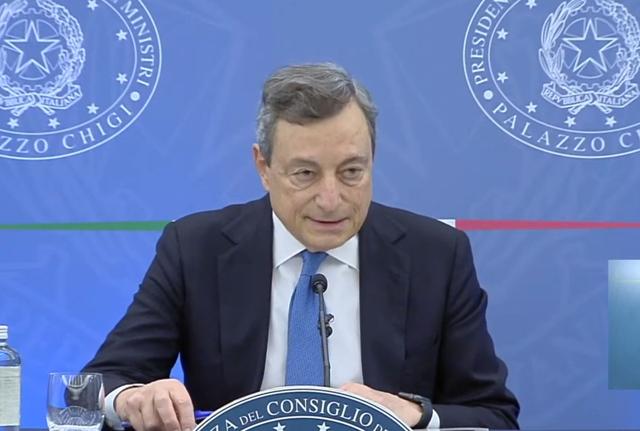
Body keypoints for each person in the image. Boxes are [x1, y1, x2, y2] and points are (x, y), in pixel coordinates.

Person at [83, 63, 519, 431]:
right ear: (264, 167)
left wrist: (417, 414)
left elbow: (494, 415)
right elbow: (100, 384)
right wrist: (133, 398)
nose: (330, 199)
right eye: (305, 174)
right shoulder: (196, 247)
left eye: (351, 172)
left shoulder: (436, 255)